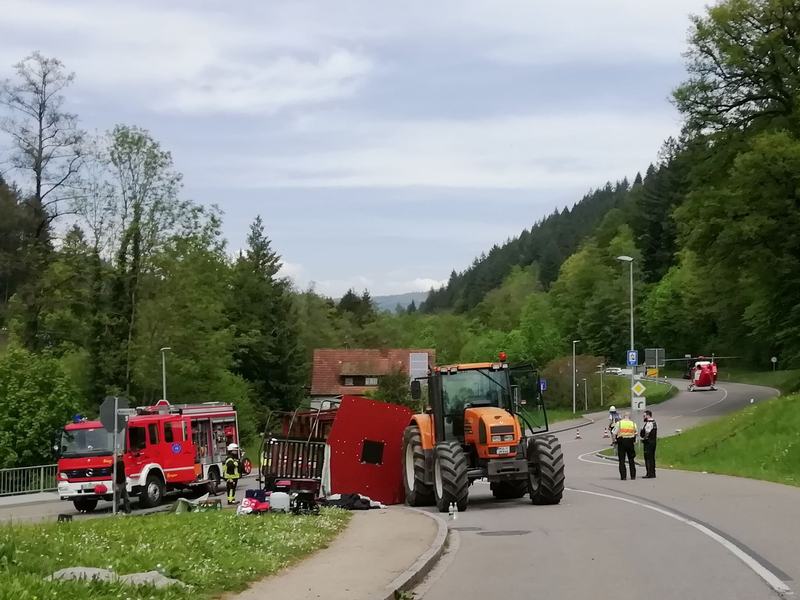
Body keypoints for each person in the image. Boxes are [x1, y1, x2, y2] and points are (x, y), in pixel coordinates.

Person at [613, 412, 637, 481]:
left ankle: (623, 476)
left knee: (622, 460)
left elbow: (614, 433)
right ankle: (633, 475)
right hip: (630, 442)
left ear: (624, 417)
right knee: (631, 460)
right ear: (629, 417)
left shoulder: (619, 423)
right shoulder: (633, 424)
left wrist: (614, 441)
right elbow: (636, 433)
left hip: (622, 442)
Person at [641, 410, 658, 478]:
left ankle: (649, 473)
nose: (643, 417)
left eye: (644, 416)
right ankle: (652, 472)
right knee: (652, 458)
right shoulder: (654, 422)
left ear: (648, 415)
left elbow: (647, 432)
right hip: (653, 441)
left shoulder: (649, 423)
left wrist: (644, 438)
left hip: (648, 442)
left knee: (648, 458)